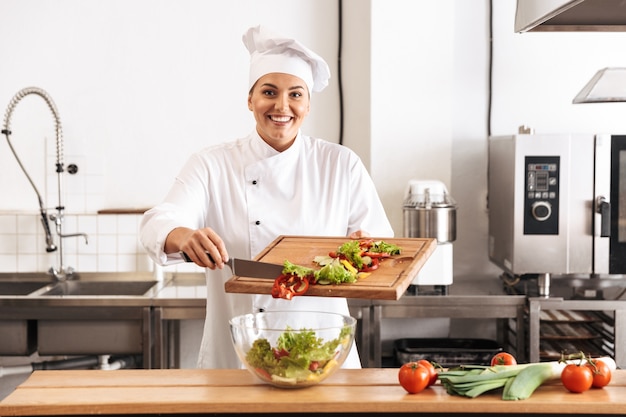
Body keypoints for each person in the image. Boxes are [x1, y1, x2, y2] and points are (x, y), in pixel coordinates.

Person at [140, 25, 394, 369]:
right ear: (250, 99)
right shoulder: (213, 164)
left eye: (296, 94)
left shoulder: (340, 164)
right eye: (269, 92)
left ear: (307, 104)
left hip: (324, 356)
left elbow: (381, 246)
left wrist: (366, 250)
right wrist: (182, 235)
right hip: (237, 360)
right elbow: (159, 220)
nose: (282, 106)